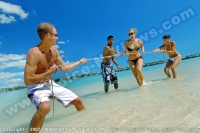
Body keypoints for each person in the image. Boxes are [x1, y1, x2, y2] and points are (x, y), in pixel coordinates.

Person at [24, 22, 86, 133]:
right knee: (44, 107)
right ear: (48, 35)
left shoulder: (55, 52)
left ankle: (86, 124)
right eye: (55, 35)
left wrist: (79, 62)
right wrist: (48, 73)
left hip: (50, 84)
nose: (57, 38)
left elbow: (64, 68)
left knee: (78, 101)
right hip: (35, 87)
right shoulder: (33, 53)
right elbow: (27, 80)